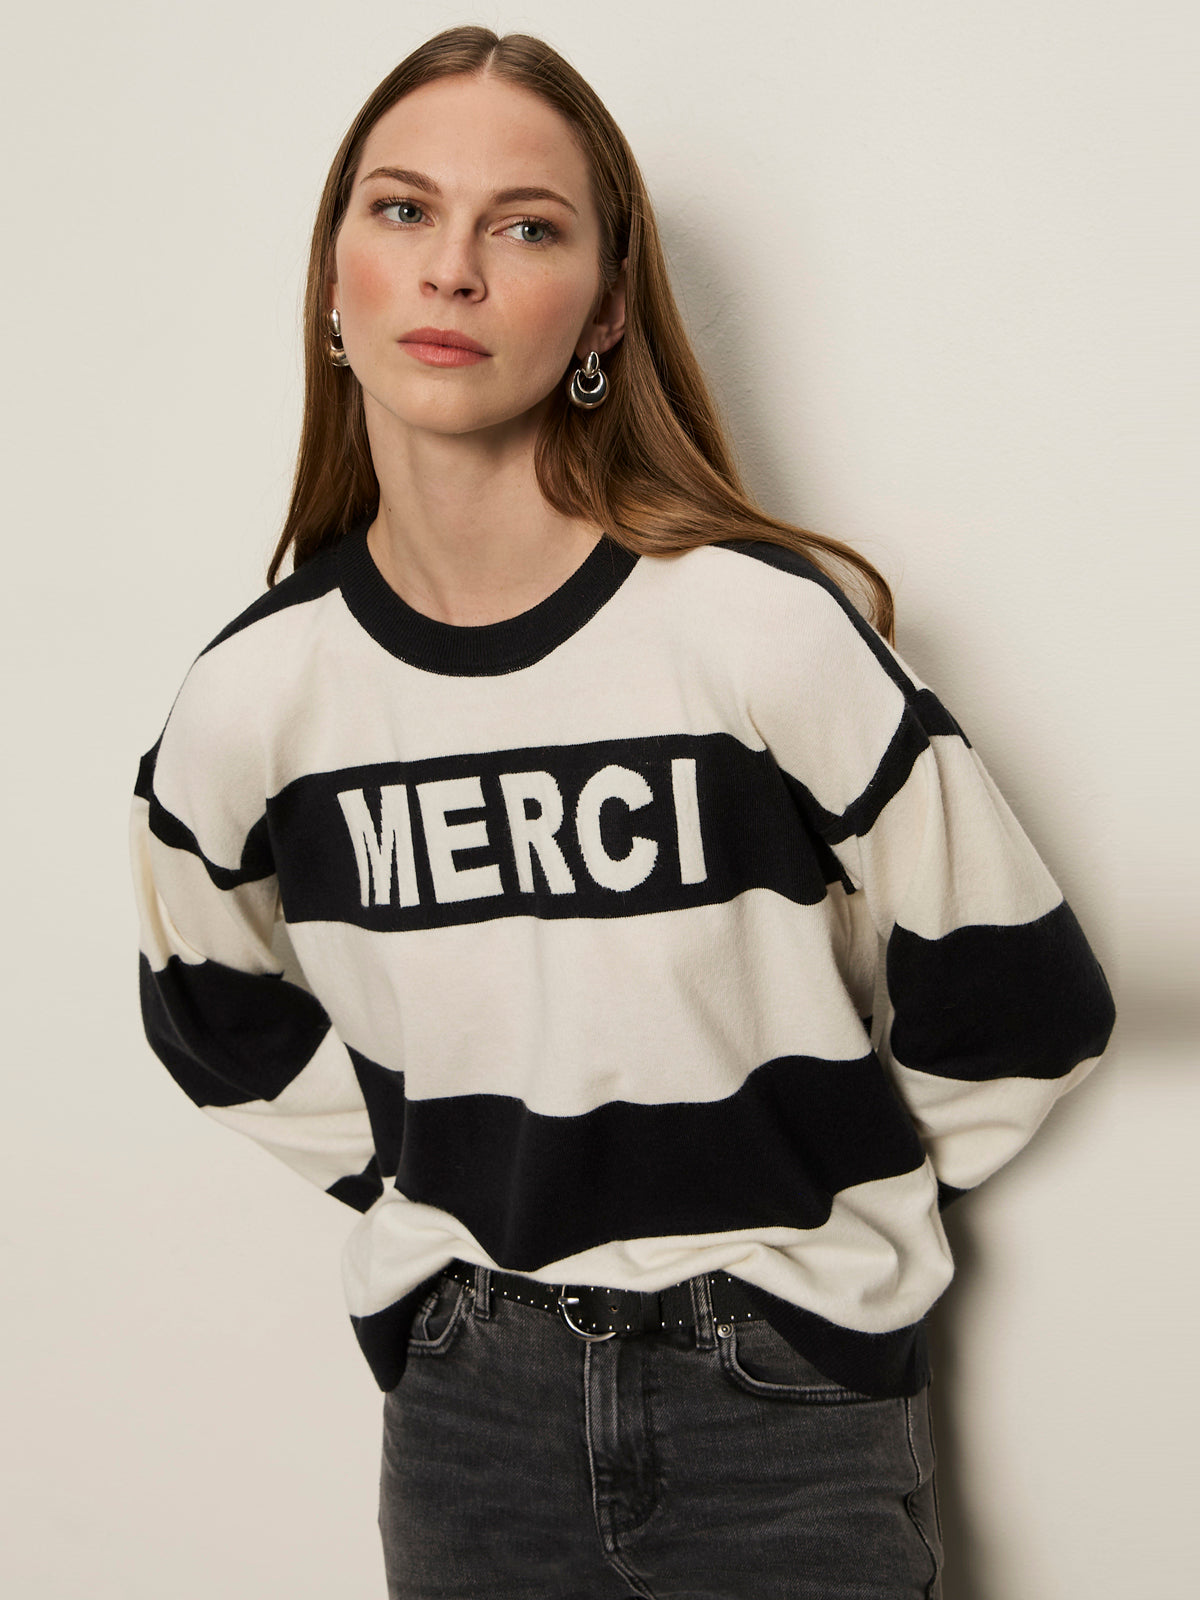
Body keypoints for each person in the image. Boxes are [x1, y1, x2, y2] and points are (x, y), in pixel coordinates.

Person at [129, 24, 1116, 1600]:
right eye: (400, 211)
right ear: (332, 286)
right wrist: (431, 1212)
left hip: (781, 1414)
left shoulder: (754, 633)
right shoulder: (258, 697)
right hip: (466, 1418)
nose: (452, 268)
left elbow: (1022, 996)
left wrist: (804, 1242)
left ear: (599, 311)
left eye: (524, 224)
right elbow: (205, 1008)